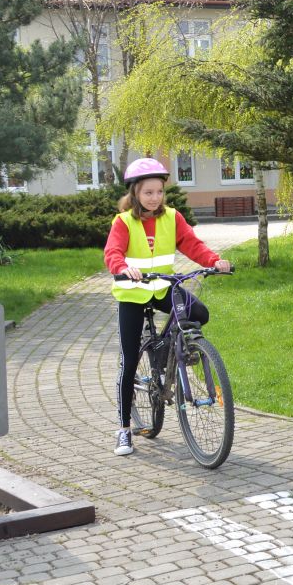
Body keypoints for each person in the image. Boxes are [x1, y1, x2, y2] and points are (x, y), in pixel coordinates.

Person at [105, 157, 232, 456]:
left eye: (159, 191)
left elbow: (192, 245)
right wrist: (123, 267)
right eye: (148, 192)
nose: (155, 197)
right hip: (133, 293)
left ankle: (165, 348)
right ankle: (124, 429)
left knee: (199, 313)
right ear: (135, 193)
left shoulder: (172, 218)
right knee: (129, 362)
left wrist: (214, 261)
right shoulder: (123, 222)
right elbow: (112, 253)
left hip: (163, 288)